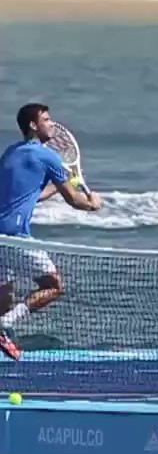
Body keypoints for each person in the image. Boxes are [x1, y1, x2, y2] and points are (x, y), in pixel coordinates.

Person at [0, 103, 102, 360]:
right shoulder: (48, 157)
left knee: (4, 296)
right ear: (33, 125)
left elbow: (28, 195)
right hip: (14, 237)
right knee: (53, 285)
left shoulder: (11, 152)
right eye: (46, 119)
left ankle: (1, 332)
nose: (52, 123)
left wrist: (58, 185)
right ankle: (5, 324)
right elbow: (75, 200)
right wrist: (93, 204)